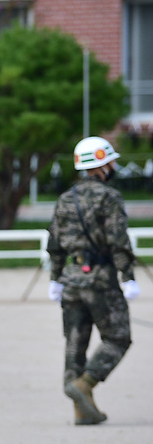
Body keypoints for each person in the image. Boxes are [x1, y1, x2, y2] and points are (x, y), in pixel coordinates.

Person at [47, 136, 140, 425]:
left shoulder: (65, 199)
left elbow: (54, 243)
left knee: (75, 343)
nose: (114, 166)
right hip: (101, 281)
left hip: (71, 281)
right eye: (111, 161)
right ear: (101, 165)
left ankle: (81, 411)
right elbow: (118, 240)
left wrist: (56, 278)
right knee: (118, 337)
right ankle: (85, 384)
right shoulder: (109, 197)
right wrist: (128, 277)